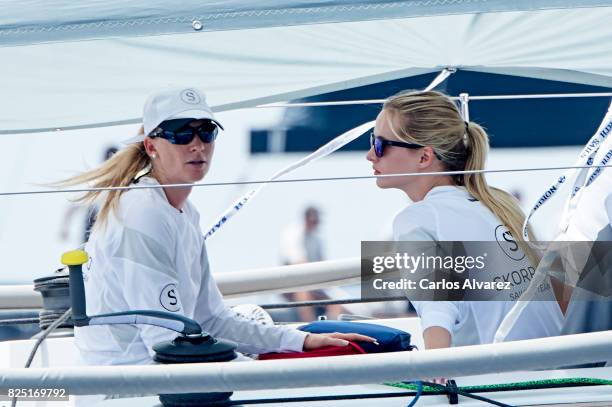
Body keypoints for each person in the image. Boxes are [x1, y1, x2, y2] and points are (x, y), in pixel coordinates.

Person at [58, 87, 373, 366]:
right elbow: (165, 344)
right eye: (181, 133)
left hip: (163, 378)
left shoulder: (183, 212)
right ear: (151, 146)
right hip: (131, 389)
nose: (197, 145)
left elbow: (213, 319)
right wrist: (258, 371)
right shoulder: (144, 215)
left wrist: (300, 341)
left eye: (206, 132)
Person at [366, 90, 563, 351]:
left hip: (503, 381)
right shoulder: (497, 203)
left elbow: (435, 307)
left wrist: (436, 373)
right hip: (556, 370)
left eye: (380, 144)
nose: (370, 155)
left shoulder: (416, 218)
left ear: (424, 157)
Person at [59, 146, 118, 243]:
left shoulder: (125, 186)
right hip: (93, 234)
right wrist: (64, 227)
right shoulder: (95, 184)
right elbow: (73, 205)